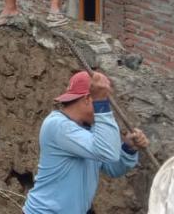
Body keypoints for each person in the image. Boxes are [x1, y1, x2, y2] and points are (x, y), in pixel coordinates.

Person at [24, 71, 150, 214]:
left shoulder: (88, 129)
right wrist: (101, 104)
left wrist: (129, 148)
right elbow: (108, 151)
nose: (109, 108)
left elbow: (112, 168)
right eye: (106, 101)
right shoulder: (58, 126)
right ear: (88, 99)